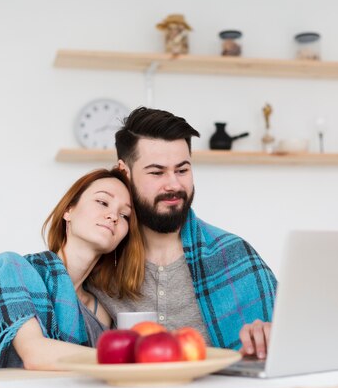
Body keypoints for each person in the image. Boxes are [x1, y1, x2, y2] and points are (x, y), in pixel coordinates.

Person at [88, 107, 277, 359]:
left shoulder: (235, 257)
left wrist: (270, 336)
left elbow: (294, 344)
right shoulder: (99, 260)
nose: (174, 184)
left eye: (182, 170)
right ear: (124, 172)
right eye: (157, 172)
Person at [0, 168, 144, 371]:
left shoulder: (101, 310)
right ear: (69, 211)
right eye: (102, 202)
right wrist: (127, 358)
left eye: (125, 215)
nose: (113, 216)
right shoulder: (11, 268)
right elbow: (35, 354)